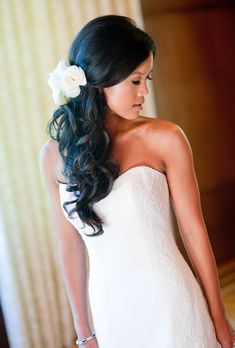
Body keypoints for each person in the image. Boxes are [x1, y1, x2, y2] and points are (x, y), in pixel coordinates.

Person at [39, 15, 235, 348]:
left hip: (172, 302)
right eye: (135, 80)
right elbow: (71, 246)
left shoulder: (165, 137)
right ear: (101, 81)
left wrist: (217, 316)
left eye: (147, 79)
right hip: (110, 310)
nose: (144, 91)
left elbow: (193, 231)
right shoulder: (53, 157)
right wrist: (84, 331)